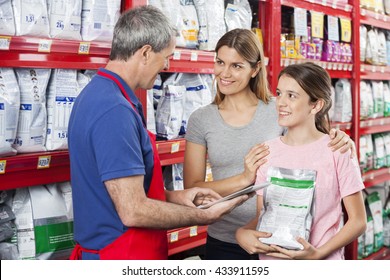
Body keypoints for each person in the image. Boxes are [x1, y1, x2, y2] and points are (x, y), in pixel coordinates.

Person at [67, 5, 248, 260]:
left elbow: (122, 191)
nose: (166, 65)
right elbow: (133, 211)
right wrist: (204, 216)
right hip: (120, 254)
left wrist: (178, 198)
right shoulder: (114, 111)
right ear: (145, 53)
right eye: (166, 56)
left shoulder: (98, 95)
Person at [184, 29, 355, 260]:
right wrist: (245, 178)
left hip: (281, 237)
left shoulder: (280, 108)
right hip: (224, 238)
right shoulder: (201, 119)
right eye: (220, 62)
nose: (225, 73)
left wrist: (342, 139)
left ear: (255, 69)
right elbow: (192, 188)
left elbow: (315, 141)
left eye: (237, 66)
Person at [235, 62, 366, 260]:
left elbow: (358, 221)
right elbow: (265, 214)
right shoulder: (266, 152)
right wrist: (242, 233)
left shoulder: (338, 150)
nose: (280, 102)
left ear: (316, 105)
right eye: (279, 93)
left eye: (292, 96)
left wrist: (318, 254)